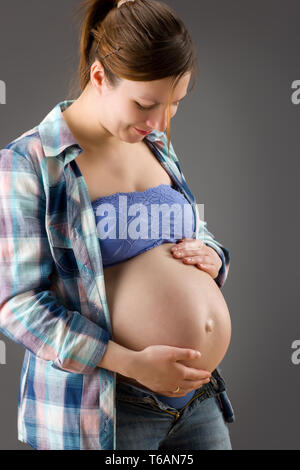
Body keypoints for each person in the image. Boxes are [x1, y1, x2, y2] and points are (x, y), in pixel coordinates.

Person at [0, 0, 234, 450]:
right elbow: (18, 306)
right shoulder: (28, 163)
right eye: (147, 104)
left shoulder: (154, 142)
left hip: (198, 400)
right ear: (100, 76)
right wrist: (129, 362)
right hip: (106, 410)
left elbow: (178, 226)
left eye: (174, 104)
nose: (160, 122)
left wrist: (211, 253)